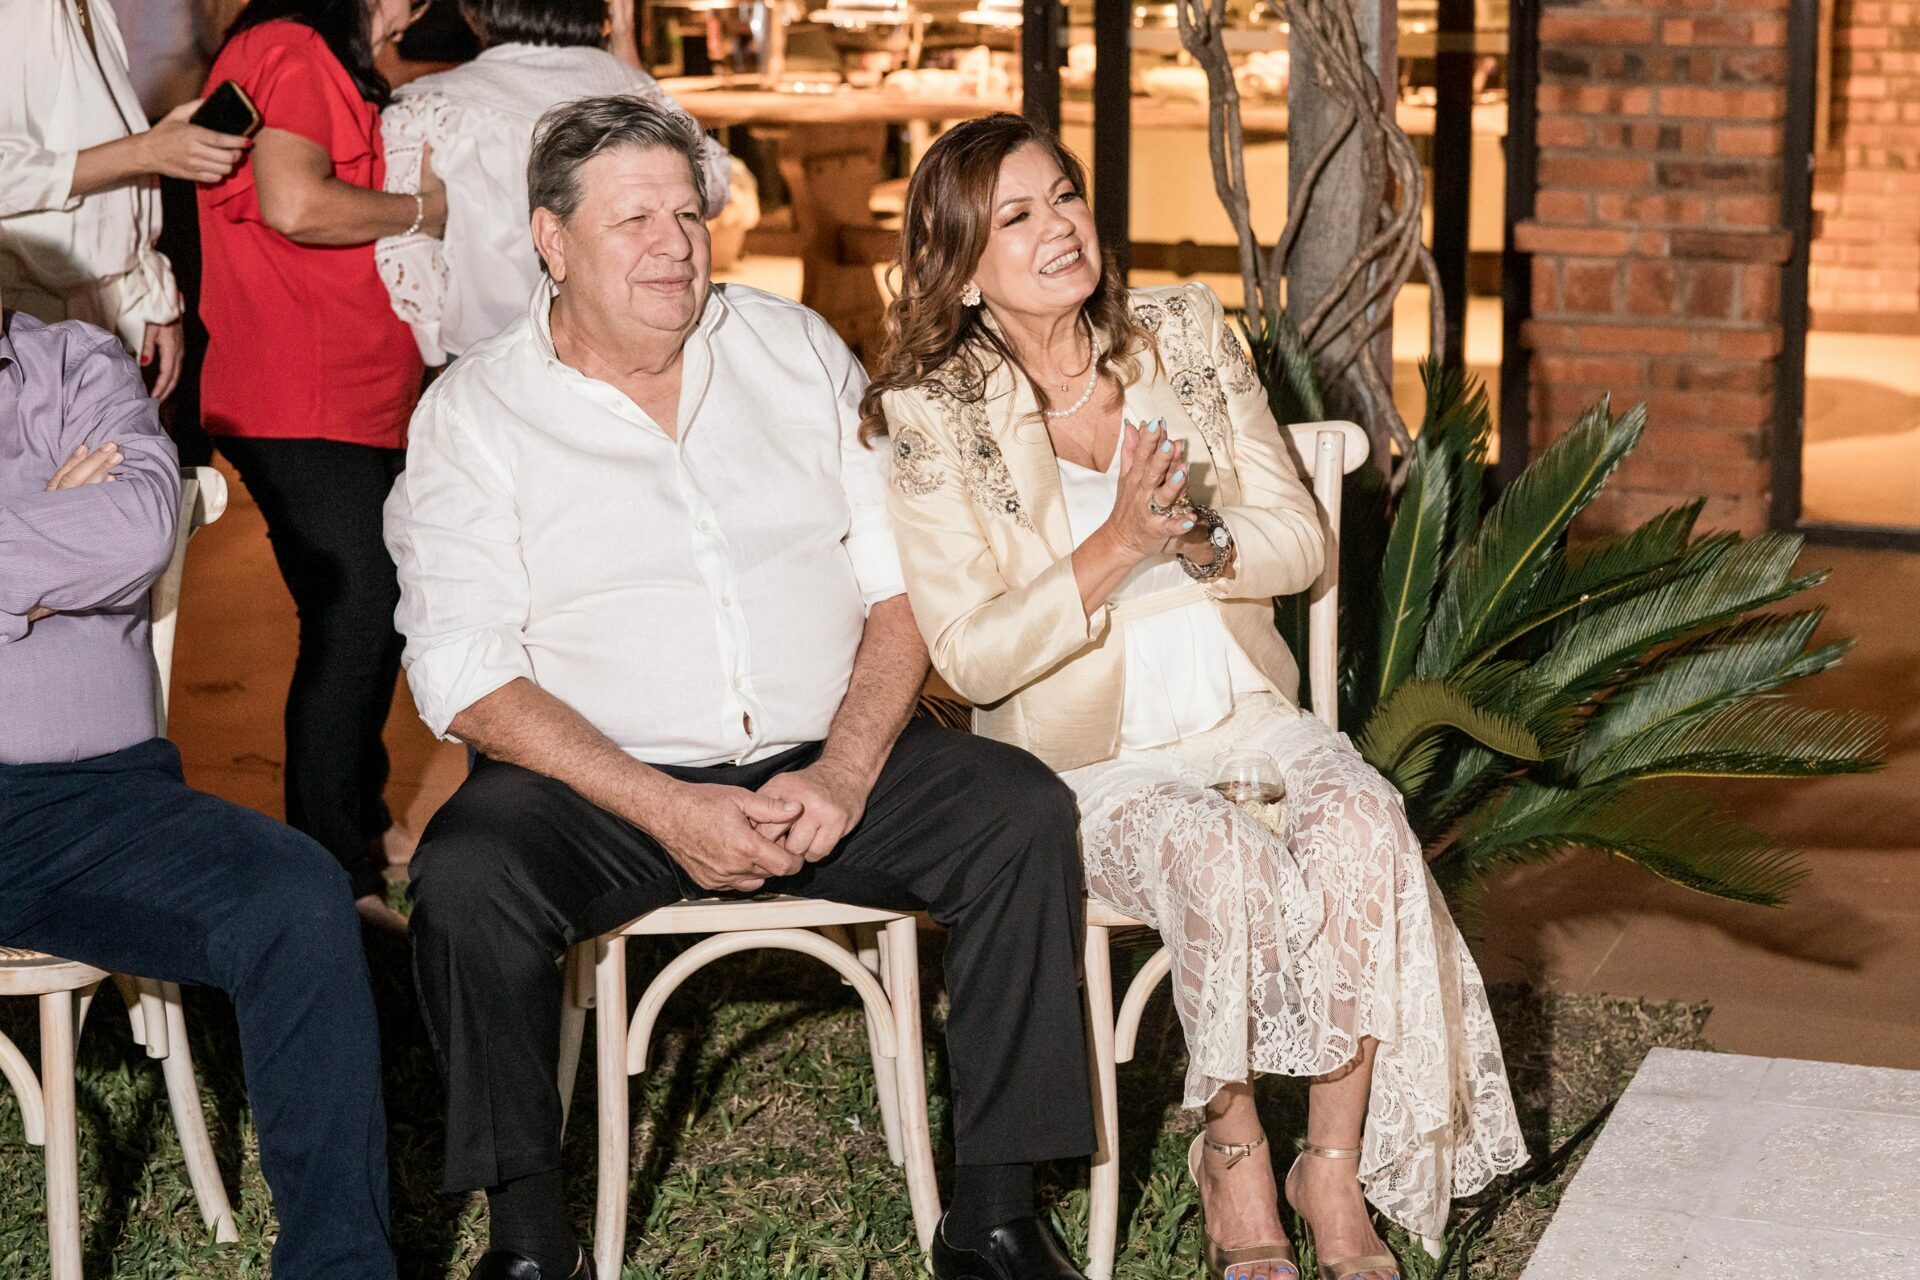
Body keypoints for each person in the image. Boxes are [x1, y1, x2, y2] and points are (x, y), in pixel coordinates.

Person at [386, 96, 1095, 1280]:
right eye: (633, 221)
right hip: (604, 785)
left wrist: (848, 767)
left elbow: (898, 583)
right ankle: (529, 1239)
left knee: (1019, 810)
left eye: (687, 214)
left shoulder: (791, 347)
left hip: (828, 757)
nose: (674, 245)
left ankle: (996, 1217)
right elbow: (462, 670)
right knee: (466, 875)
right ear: (552, 241)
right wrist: (666, 806)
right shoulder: (474, 413)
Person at [868, 115, 1527, 1280]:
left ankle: (1331, 1165)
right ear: (963, 271)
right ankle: (1233, 1153)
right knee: (1219, 859)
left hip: (1247, 714)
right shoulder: (934, 412)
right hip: (1087, 765)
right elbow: (969, 656)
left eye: (1064, 195)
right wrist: (1115, 547)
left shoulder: (1179, 327)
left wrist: (1205, 540)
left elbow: (1301, 539)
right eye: (1016, 217)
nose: (1059, 227)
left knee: (1367, 824)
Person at [0, 287, 397, 1280]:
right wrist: (48, 546)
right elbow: (92, 544)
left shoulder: (73, 362)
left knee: (299, 898)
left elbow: (139, 530)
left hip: (99, 802)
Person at [196, 0, 447, 931]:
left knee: (372, 617)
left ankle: (359, 823)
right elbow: (294, 203)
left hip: (343, 394)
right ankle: (331, 871)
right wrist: (425, 212)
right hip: (297, 391)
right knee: (355, 616)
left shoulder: (316, 56)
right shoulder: (293, 51)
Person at [376, 0, 735, 365]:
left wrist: (440, 339)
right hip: (628, 345)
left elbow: (406, 244)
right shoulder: (633, 89)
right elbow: (715, 185)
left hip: (486, 351)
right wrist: (629, 54)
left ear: (473, 13)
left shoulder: (427, 106)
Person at [0, 0, 252, 401]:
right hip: (35, 322)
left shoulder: (92, 6)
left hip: (93, 310)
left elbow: (109, 182)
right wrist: (146, 151)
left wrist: (149, 291)